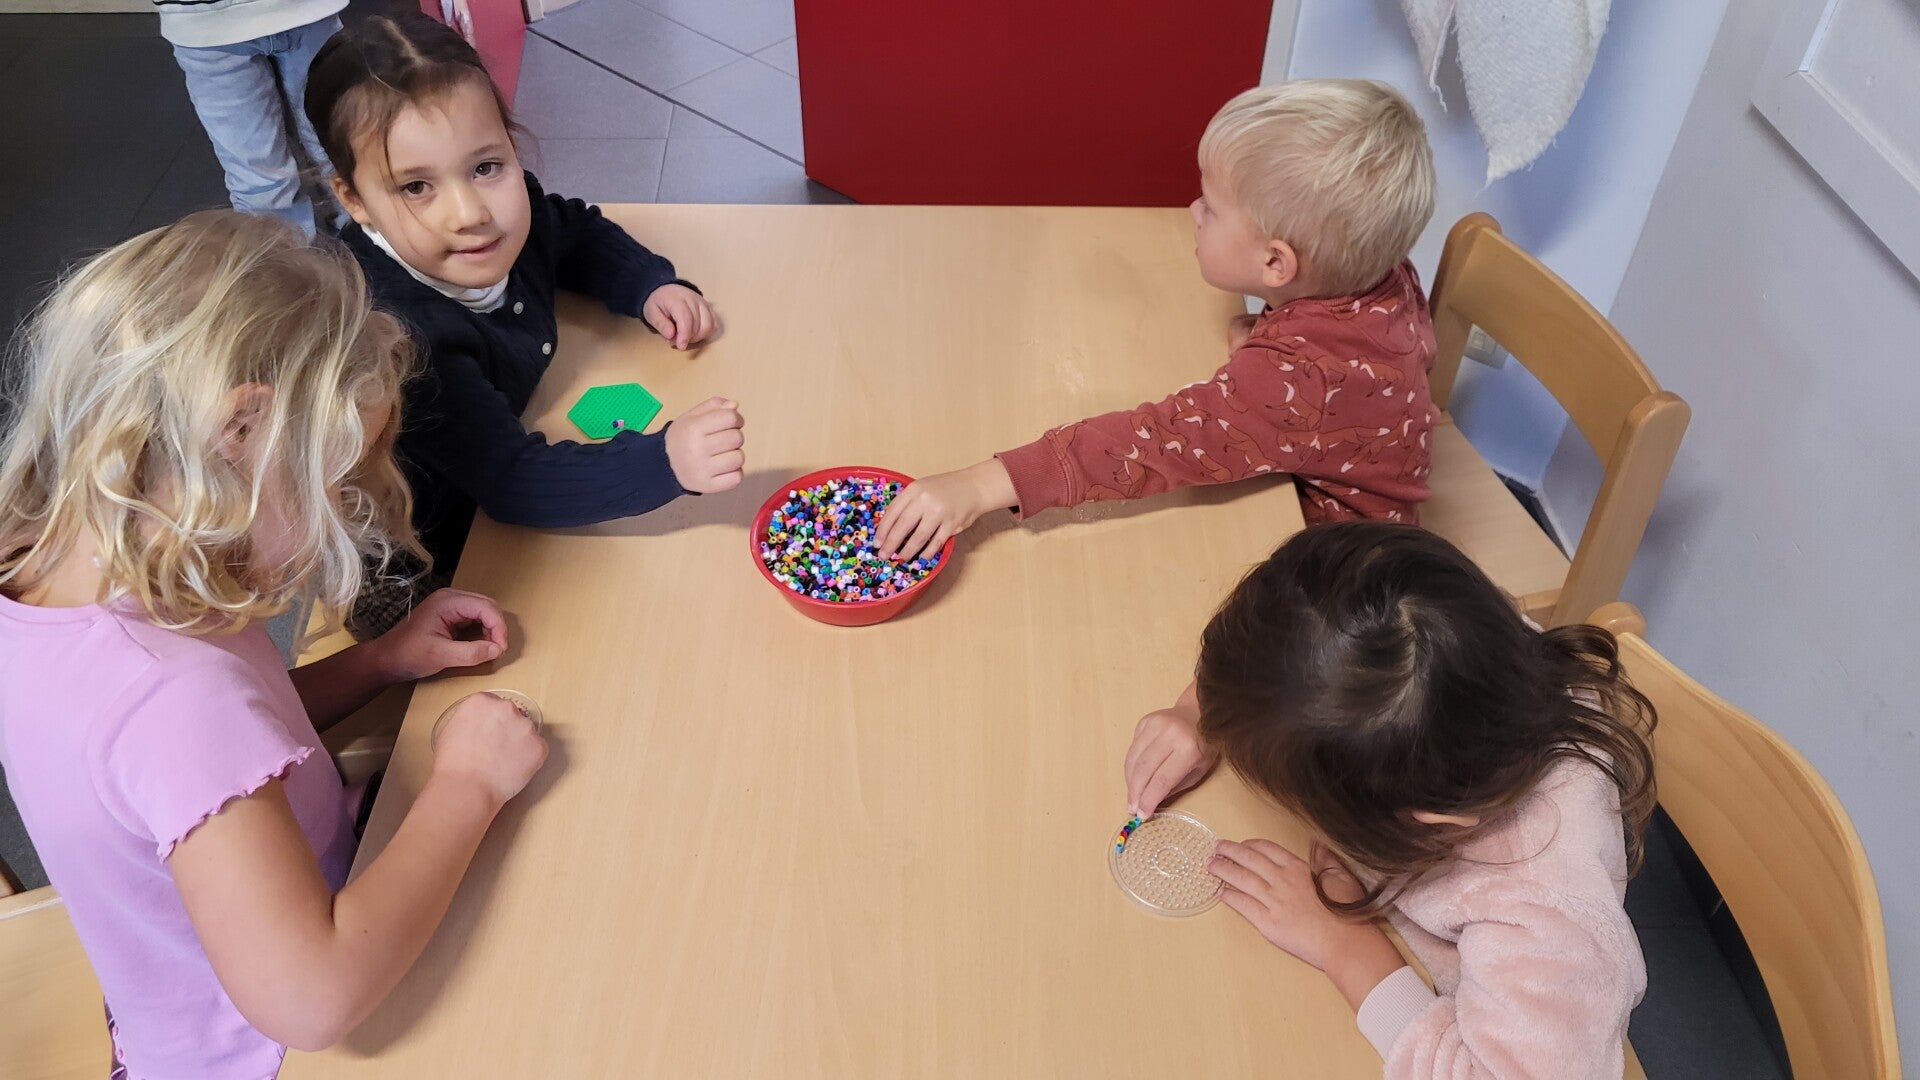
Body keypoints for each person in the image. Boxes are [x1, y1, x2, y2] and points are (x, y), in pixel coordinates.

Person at [0, 212, 547, 1077]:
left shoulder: (58, 568)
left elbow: (225, 755)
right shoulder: (168, 692)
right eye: (331, 480)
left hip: (194, 990)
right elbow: (311, 1001)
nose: (345, 510)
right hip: (275, 1048)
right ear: (239, 432)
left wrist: (379, 662)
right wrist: (468, 784)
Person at [1124, 522, 1654, 1077]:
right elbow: (1302, 647)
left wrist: (1343, 945)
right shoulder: (1456, 645)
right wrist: (1201, 712)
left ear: (1426, 823)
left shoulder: (1548, 931)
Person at [303, 12, 744, 636]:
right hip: (426, 548)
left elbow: (570, 231)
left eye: (486, 167)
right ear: (354, 200)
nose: (469, 212)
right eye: (416, 187)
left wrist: (648, 284)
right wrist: (664, 460)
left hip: (503, 453)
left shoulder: (508, 209)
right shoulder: (401, 339)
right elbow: (511, 481)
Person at [876, 80, 1438, 562]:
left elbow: (1157, 441)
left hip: (1342, 564)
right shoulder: (1386, 273)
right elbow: (1392, 362)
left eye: (1210, 206)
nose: (1193, 211)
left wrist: (979, 485)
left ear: (1275, 263)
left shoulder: (1300, 382)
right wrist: (1271, 337)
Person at [157, 0, 345, 235]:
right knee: (264, 185)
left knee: (340, 151)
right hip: (203, 21)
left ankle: (370, 246)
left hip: (299, 10)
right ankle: (288, 256)